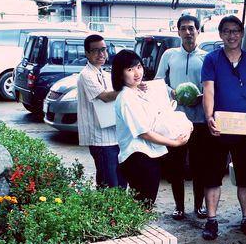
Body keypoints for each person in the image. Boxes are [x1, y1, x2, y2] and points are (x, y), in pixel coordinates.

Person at [201, 15, 246, 240]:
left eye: (236, 31)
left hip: (244, 128)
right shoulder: (211, 59)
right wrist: (209, 117)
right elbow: (208, 90)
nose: (232, 35)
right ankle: (211, 221)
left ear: (242, 33)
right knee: (212, 176)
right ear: (220, 35)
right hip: (219, 127)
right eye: (227, 31)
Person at [112, 50, 190, 207]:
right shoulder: (126, 98)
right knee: (143, 204)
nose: (136, 72)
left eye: (139, 66)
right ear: (120, 74)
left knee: (145, 203)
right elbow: (144, 132)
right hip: (137, 157)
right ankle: (135, 231)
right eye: (130, 69)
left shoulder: (137, 92)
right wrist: (174, 143)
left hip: (147, 155)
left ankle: (137, 230)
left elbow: (159, 116)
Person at [155, 14, 209, 221]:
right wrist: (172, 92)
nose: (188, 32)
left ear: (198, 31)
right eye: (184, 28)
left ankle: (199, 206)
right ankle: (179, 207)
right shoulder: (169, 55)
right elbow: (159, 80)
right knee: (175, 166)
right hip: (175, 120)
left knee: (199, 166)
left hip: (199, 120)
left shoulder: (206, 57)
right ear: (178, 32)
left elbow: (211, 84)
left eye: (192, 28)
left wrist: (203, 96)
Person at [77, 34, 126, 189]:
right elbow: (105, 97)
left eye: (104, 50)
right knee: (108, 183)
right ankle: (106, 212)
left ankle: (117, 212)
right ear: (87, 53)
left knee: (121, 182)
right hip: (100, 138)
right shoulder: (86, 74)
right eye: (96, 51)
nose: (101, 54)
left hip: (114, 135)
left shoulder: (104, 73)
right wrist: (130, 90)